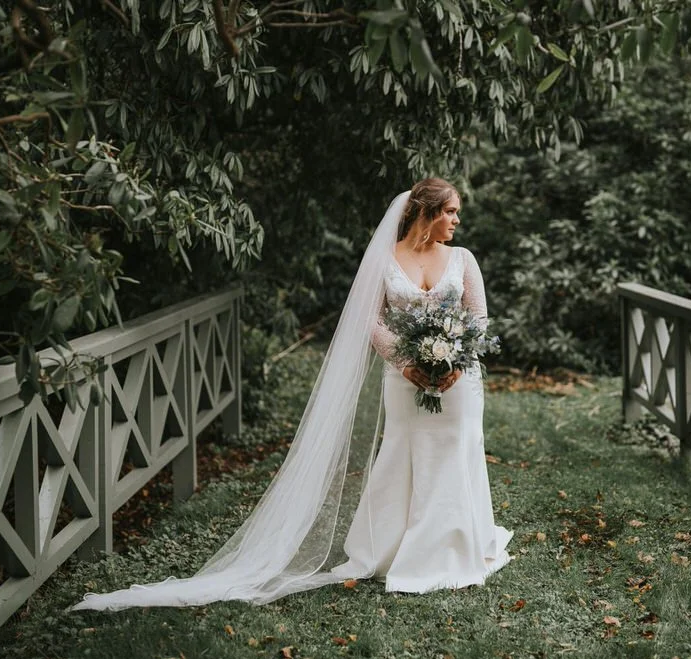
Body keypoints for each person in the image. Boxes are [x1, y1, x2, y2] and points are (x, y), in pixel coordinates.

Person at [71, 178, 511, 611]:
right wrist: (407, 363)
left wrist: (454, 364)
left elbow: (477, 318)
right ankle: (395, 547)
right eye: (450, 211)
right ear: (426, 212)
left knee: (456, 452)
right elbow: (372, 321)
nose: (456, 219)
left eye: (456, 212)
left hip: (459, 381)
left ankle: (451, 547)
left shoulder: (463, 259)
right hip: (403, 377)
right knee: (402, 453)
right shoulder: (384, 260)